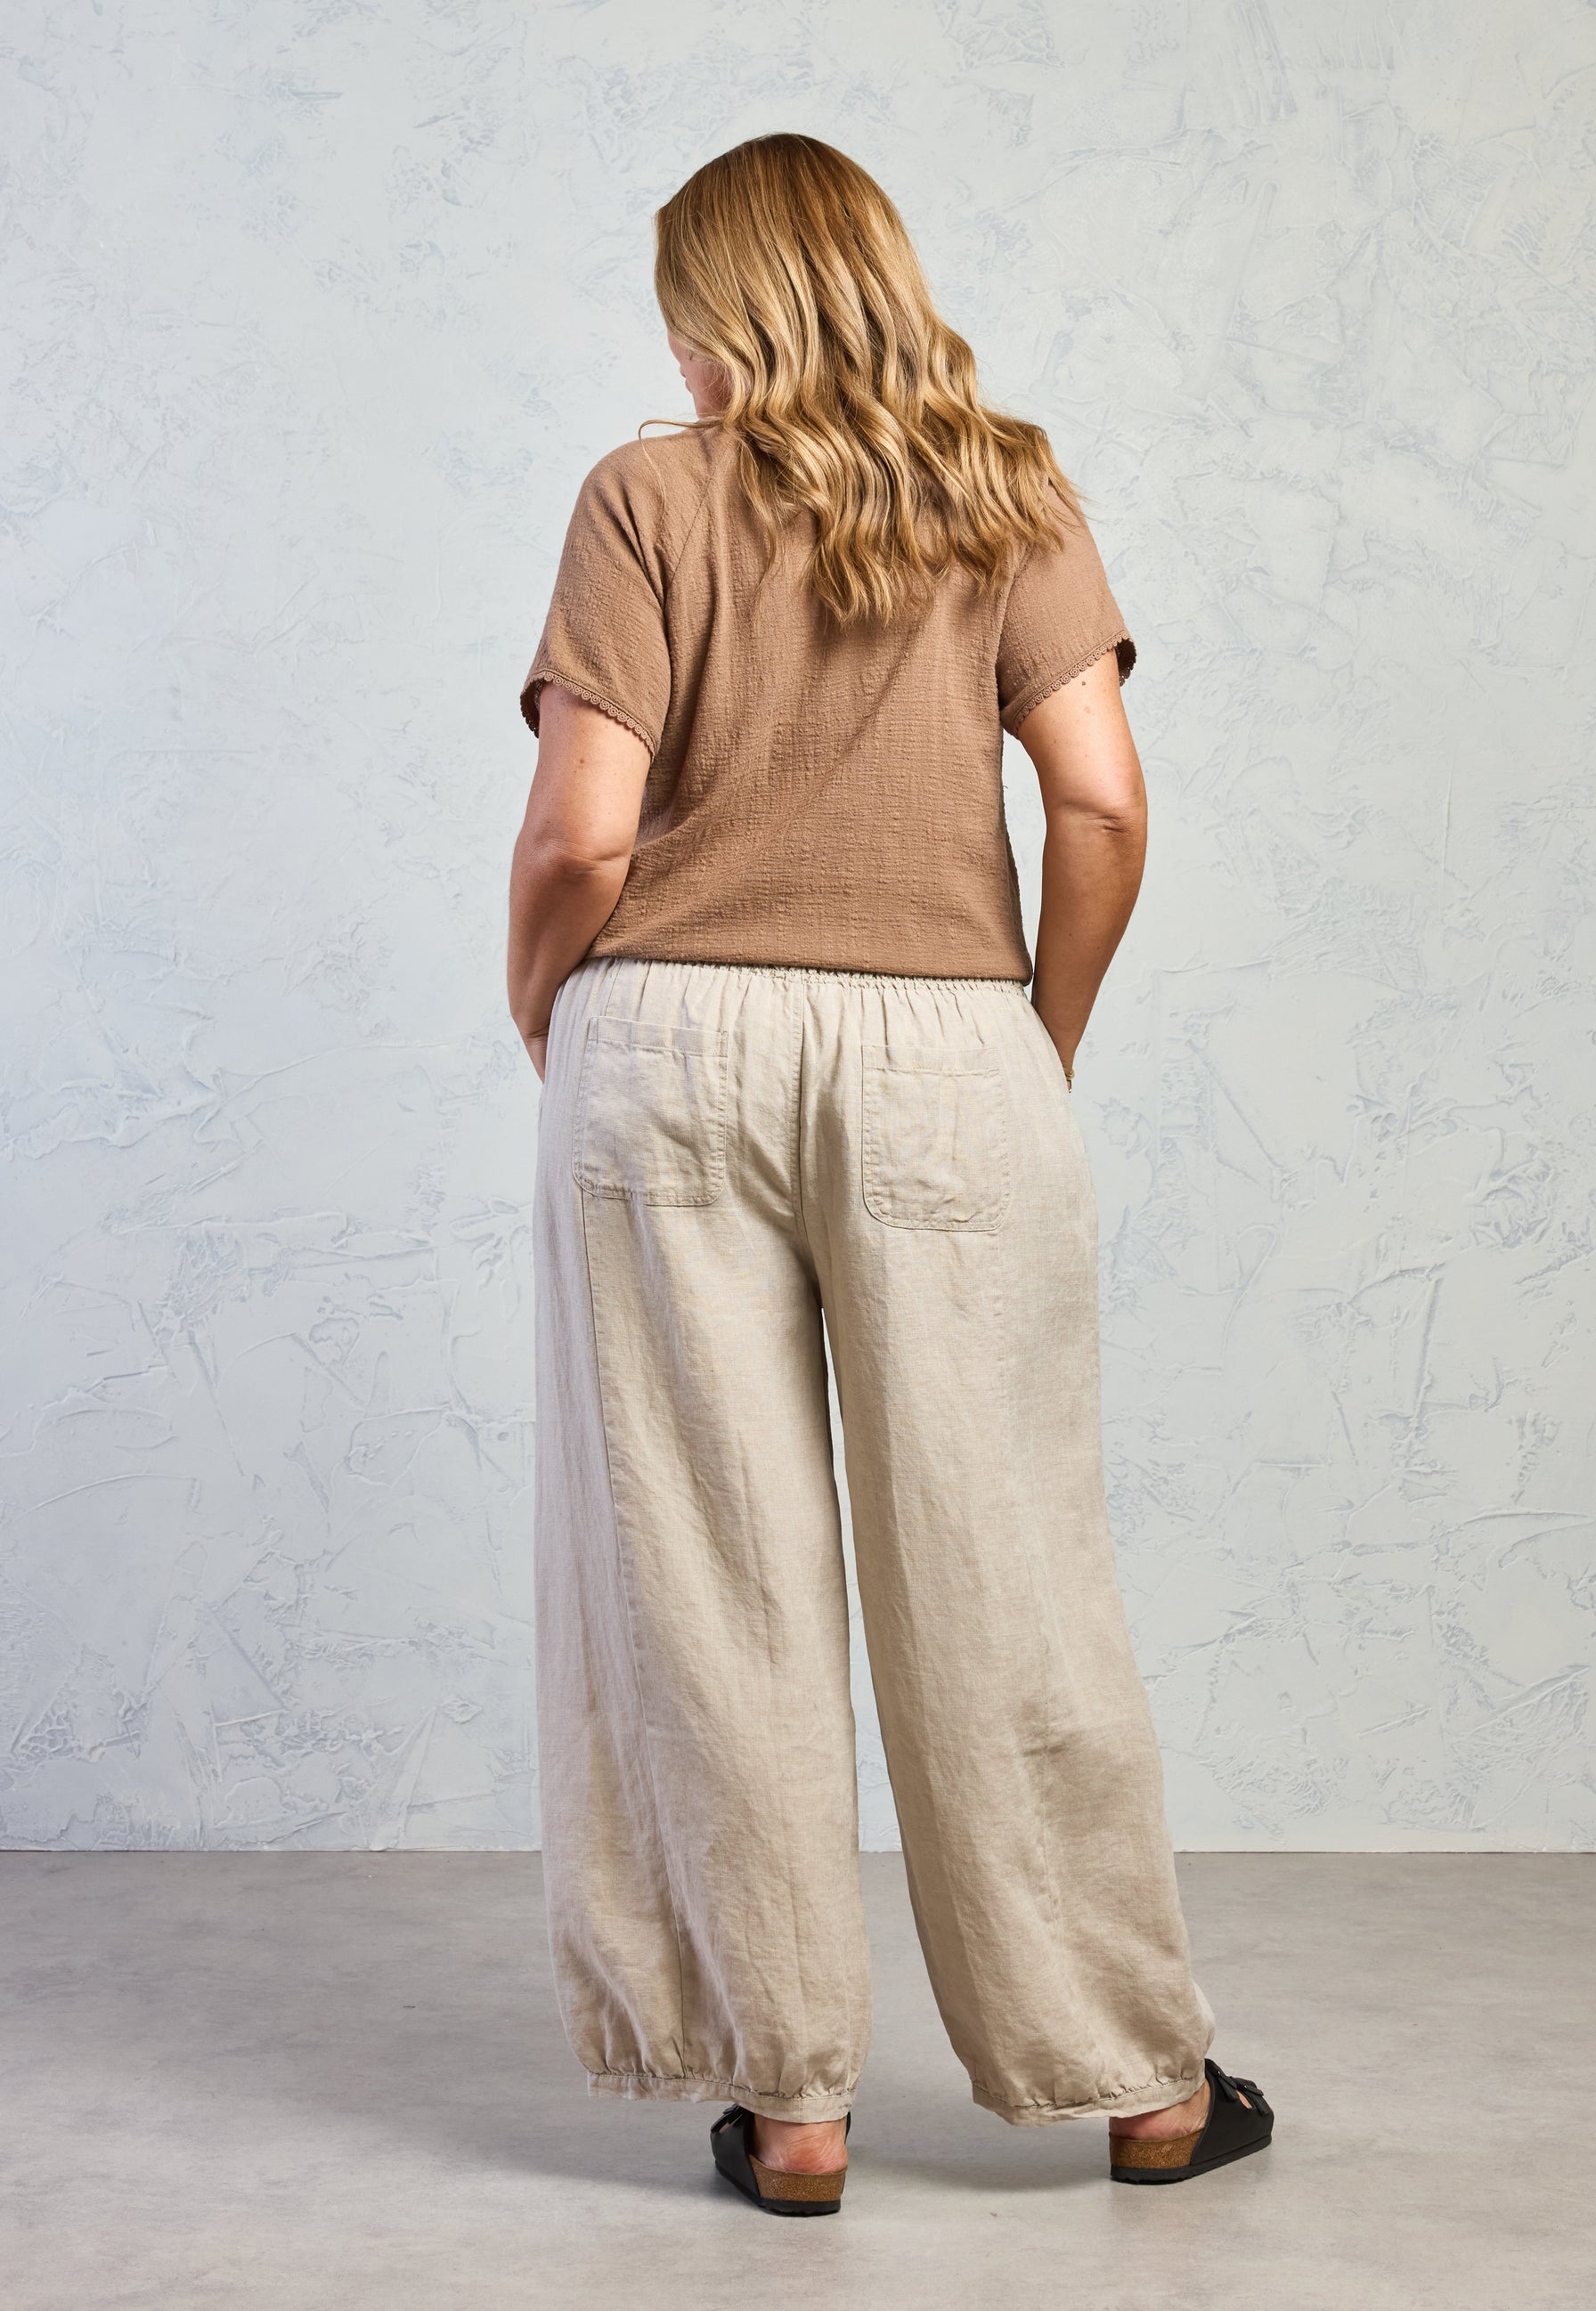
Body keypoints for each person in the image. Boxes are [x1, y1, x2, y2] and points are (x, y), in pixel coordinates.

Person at [506, 132, 1272, 2217]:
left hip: (668, 1043)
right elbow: (1100, 803)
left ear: (721, 309)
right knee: (1002, 1557)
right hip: (947, 1046)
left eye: (682, 310)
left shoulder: (646, 496)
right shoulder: (1010, 492)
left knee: (707, 1569)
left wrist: (535, 998)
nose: (674, 351)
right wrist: (1038, 1033)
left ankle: (792, 2104)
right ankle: (1137, 2079)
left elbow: (582, 833)